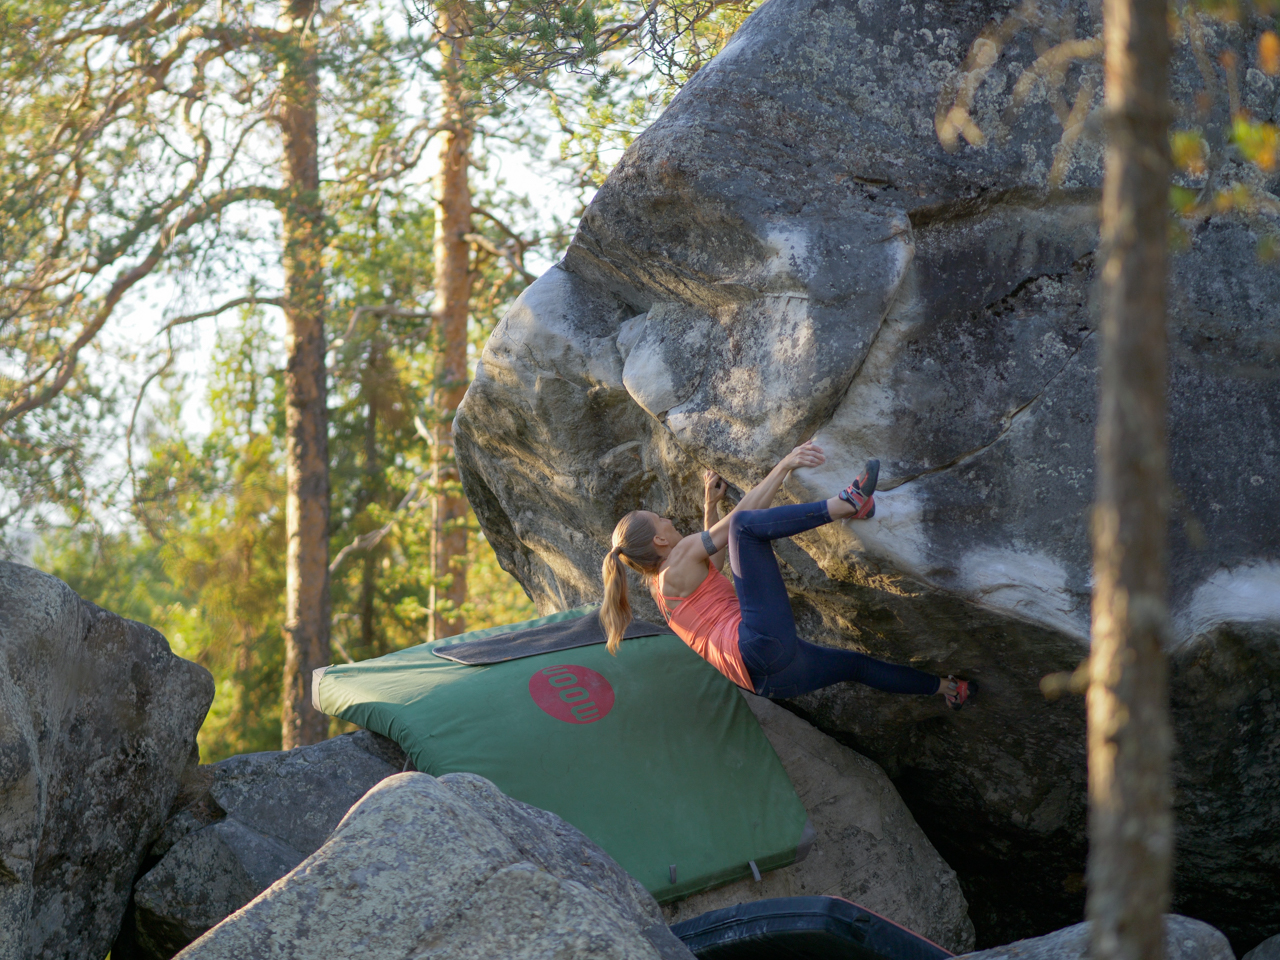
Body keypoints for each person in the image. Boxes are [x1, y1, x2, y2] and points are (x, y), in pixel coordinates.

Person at [600, 441, 974, 707]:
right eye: (661, 519)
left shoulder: (660, 587)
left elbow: (713, 568)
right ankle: (848, 505)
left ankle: (950, 689)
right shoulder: (677, 557)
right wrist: (784, 464)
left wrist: (709, 507)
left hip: (768, 680)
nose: (667, 519)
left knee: (856, 666)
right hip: (756, 645)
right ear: (661, 539)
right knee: (745, 528)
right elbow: (738, 526)